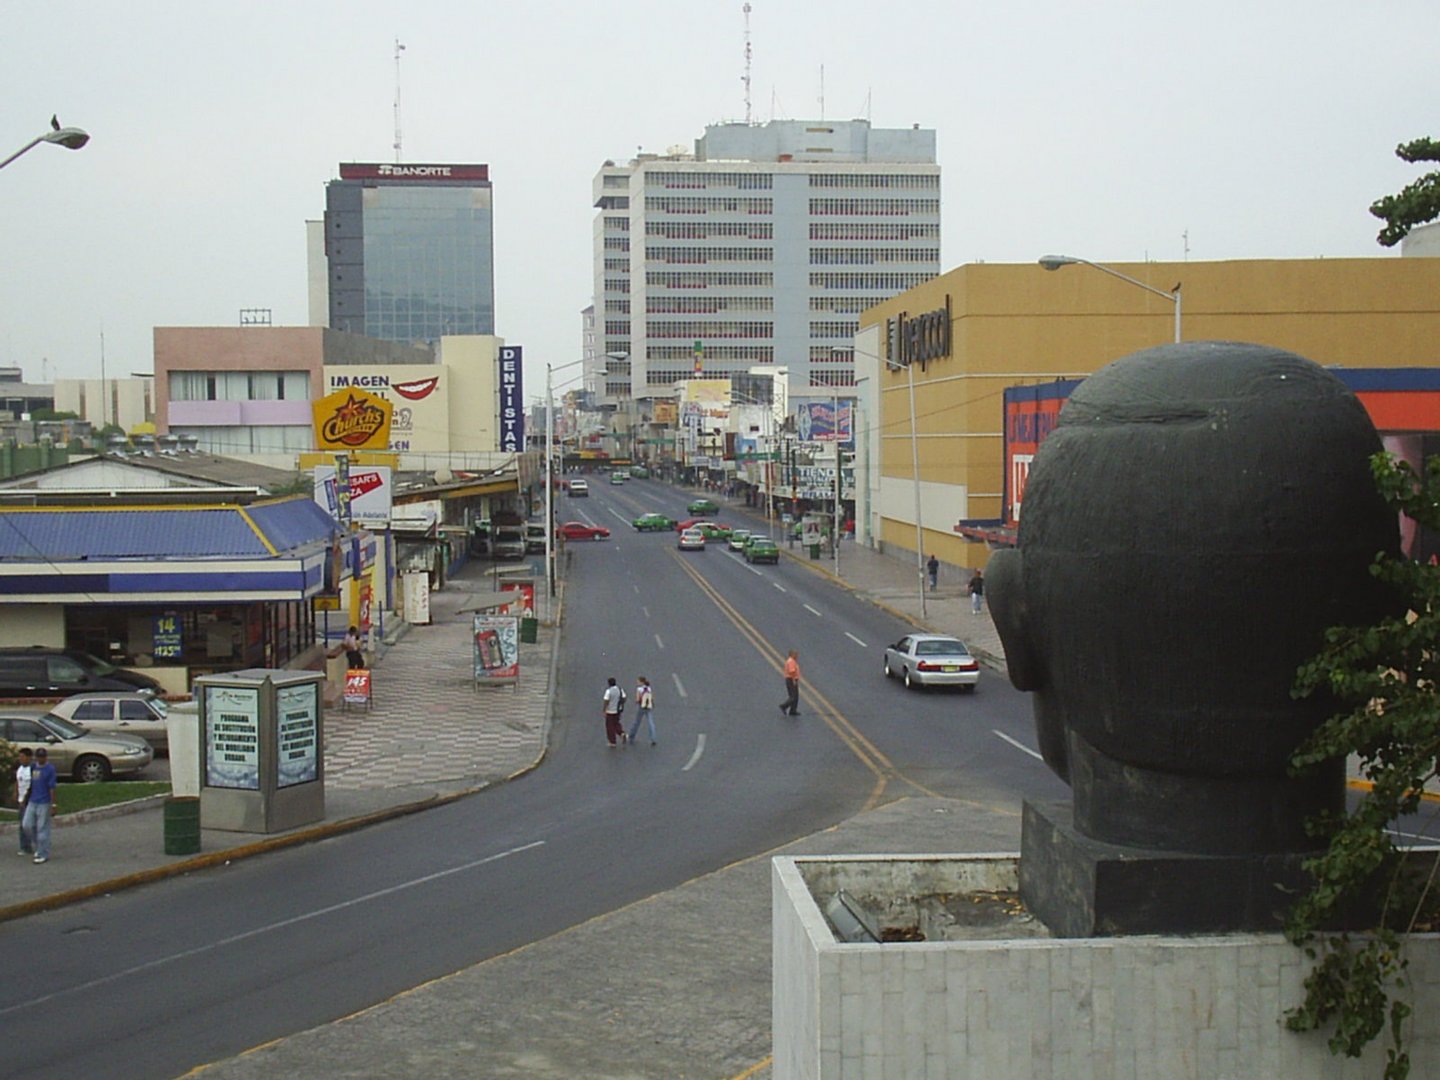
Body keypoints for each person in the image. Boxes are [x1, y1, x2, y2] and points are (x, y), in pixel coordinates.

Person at [23, 747, 57, 864]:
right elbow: (31, 783)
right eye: (38, 757)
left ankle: (43, 853)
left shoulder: (50, 769)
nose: (40, 759)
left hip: (44, 802)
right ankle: (38, 845)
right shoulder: (34, 767)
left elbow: (52, 788)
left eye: (42, 757)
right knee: (27, 825)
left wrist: (53, 804)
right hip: (33, 800)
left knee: (42, 828)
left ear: (46, 757)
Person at [14, 747, 34, 857]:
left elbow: (32, 785)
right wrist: (16, 793)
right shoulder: (20, 769)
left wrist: (26, 797)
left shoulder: (32, 770)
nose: (20, 759)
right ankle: (25, 846)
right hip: (21, 800)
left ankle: (33, 844)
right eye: (20, 757)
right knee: (22, 824)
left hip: (29, 800)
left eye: (23, 757)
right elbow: (18, 781)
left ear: (29, 757)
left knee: (28, 824)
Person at [629, 675, 657, 746]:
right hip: (648, 707)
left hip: (641, 707)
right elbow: (651, 697)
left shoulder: (639, 689)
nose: (637, 683)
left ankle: (631, 735)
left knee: (637, 722)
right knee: (650, 722)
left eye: (638, 681)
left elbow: (638, 699)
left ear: (641, 682)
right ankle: (653, 738)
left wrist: (636, 702)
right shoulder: (649, 688)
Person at [602, 677, 626, 747]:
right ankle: (621, 733)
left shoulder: (608, 691)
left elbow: (606, 701)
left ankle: (612, 741)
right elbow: (624, 697)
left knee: (609, 726)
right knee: (616, 723)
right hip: (618, 710)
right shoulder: (620, 689)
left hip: (610, 711)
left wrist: (604, 710)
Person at [779, 649, 801, 716]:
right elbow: (792, 671)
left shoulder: (792, 661)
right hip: (791, 679)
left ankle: (793, 710)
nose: (797, 656)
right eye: (796, 654)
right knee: (793, 696)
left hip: (791, 679)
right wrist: (794, 680)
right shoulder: (791, 661)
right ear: (792, 655)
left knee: (796, 696)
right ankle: (784, 706)